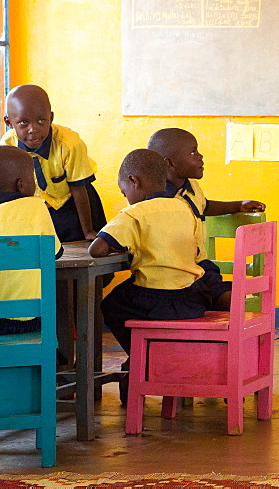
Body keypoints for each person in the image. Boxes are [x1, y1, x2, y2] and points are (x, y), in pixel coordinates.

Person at [92, 149, 211, 402]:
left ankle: (140, 360)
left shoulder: (135, 214)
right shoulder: (184, 208)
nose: (127, 199)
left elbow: (97, 248)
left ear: (134, 181)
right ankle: (151, 356)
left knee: (110, 305)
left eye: (125, 193)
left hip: (153, 300)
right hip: (192, 298)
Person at [147, 127, 265, 311]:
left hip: (200, 266)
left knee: (223, 293)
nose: (200, 156)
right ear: (169, 163)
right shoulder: (157, 199)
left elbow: (205, 206)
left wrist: (237, 205)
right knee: (196, 296)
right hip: (172, 271)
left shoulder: (192, 187)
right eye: (193, 152)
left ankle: (233, 327)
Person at [1, 84, 106, 241]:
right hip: (37, 209)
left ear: (51, 117)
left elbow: (79, 189)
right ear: (9, 122)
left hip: (73, 205)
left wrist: (88, 231)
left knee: (77, 247)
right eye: (23, 122)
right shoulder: (8, 147)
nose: (33, 129)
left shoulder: (69, 144)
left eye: (41, 120)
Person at [0, 145, 63, 335]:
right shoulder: (37, 208)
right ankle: (58, 359)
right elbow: (55, 253)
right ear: (22, 184)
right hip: (26, 319)